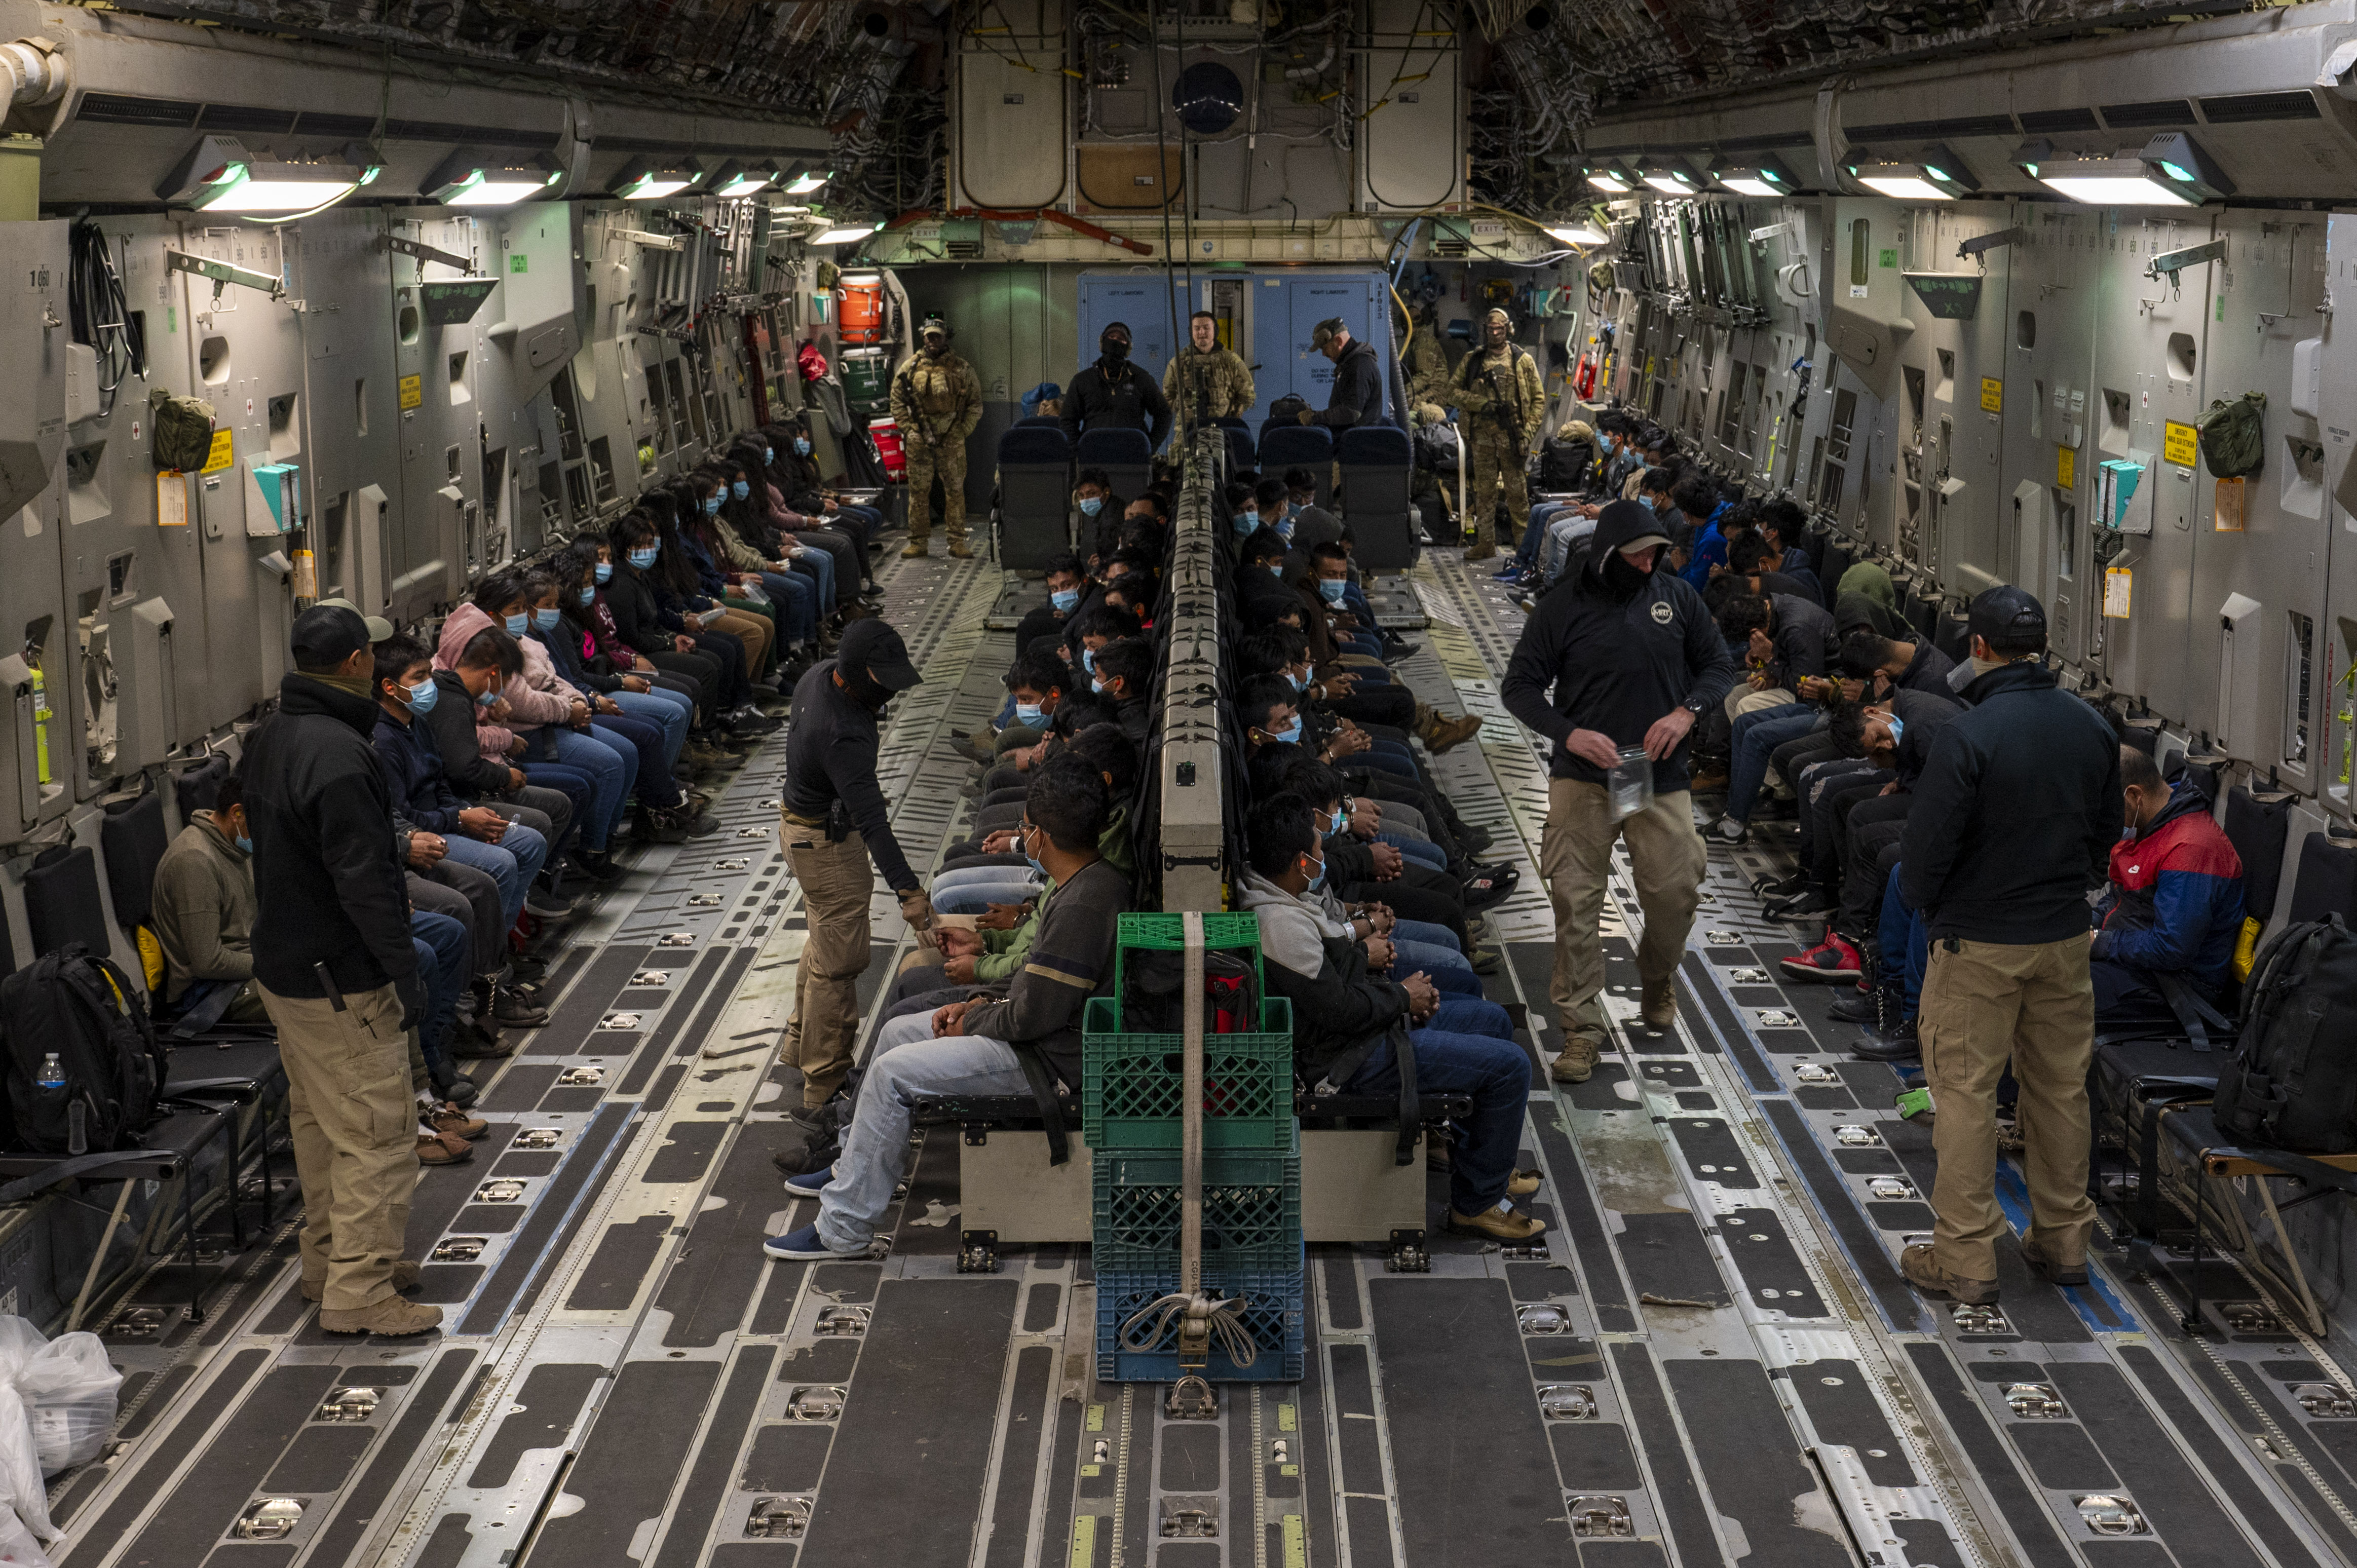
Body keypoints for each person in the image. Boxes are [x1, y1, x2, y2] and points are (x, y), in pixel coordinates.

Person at [765, 755, 1129, 1258]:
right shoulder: (1086, 882)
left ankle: (843, 1228)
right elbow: (1033, 992)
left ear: (1041, 835)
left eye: (1025, 827)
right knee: (897, 1034)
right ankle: (856, 1165)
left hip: (1050, 1061)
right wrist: (980, 1003)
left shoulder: (1084, 904)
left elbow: (1032, 1016)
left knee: (892, 1073)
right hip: (1038, 1035)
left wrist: (974, 1017)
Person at [1896, 585, 2121, 1306]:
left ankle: (1964, 1257)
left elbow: (1925, 853)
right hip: (2061, 939)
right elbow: (2104, 840)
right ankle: (2064, 1240)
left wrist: (1930, 904)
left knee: (1964, 1092)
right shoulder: (2092, 728)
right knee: (2059, 1090)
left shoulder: (1971, 733)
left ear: (1979, 648)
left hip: (1979, 942)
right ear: (2043, 647)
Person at [239, 604, 437, 1336]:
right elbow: (364, 879)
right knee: (378, 1133)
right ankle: (361, 1290)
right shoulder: (343, 755)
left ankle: (330, 1261)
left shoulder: (271, 737)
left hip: (285, 967)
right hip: (339, 976)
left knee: (322, 1125)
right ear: (357, 661)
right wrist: (401, 968)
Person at [1501, 500, 1734, 1084]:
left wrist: (1686, 712)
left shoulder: (1676, 598)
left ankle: (1656, 976)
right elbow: (1520, 687)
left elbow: (1717, 667)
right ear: (1608, 554)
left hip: (1650, 772)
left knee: (1672, 890)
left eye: (1657, 553)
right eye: (1639, 554)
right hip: (1584, 776)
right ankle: (1579, 1029)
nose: (1650, 562)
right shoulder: (1562, 608)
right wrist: (1569, 733)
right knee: (1575, 903)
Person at [1239, 794, 1543, 1241]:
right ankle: (1476, 1204)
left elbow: (1334, 982)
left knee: (1492, 1021)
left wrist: (1386, 980)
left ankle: (1480, 1162)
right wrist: (1402, 997)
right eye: (1319, 851)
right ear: (1302, 863)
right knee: (1512, 1066)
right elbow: (1339, 1010)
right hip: (1344, 1060)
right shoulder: (1280, 927)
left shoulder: (1280, 894)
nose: (1325, 857)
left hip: (1355, 1031)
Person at [774, 618, 937, 1161]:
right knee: (840, 959)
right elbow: (873, 821)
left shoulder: (819, 675)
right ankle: (824, 1084)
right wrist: (909, 891)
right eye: (883, 679)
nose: (890, 689)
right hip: (826, 843)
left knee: (823, 937)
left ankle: (799, 1047)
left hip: (799, 828)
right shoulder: (841, 732)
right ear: (857, 675)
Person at [2093, 746, 2244, 1022]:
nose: (2106, 818)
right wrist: (2086, 922)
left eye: (2110, 808)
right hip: (2137, 961)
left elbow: (2172, 949)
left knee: (2053, 995)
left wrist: (2100, 943)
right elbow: (2120, 899)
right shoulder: (2148, 825)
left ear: (2135, 796)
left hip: (2178, 985)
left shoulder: (2191, 848)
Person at [150, 772, 268, 1026]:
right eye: (263, 822)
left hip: (246, 967)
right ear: (238, 814)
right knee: (315, 994)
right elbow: (209, 962)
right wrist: (274, 963)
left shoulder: (234, 845)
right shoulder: (195, 862)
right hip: (209, 993)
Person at [1449, 308, 1544, 562]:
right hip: (1482, 438)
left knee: (1517, 493)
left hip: (1511, 438)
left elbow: (1538, 400)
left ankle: (1523, 546)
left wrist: (1527, 434)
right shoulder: (1474, 360)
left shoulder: (1522, 360)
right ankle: (1485, 543)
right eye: (1490, 329)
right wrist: (1480, 404)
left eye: (1499, 329)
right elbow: (1452, 391)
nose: (1494, 334)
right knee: (1485, 493)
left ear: (1508, 329)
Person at [889, 315, 984, 558]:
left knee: (955, 490)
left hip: (952, 435)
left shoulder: (962, 369)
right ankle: (919, 542)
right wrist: (908, 429)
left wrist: (964, 430)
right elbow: (897, 401)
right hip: (919, 437)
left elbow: (975, 403)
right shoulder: (909, 368)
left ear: (945, 338)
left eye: (937, 337)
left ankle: (957, 542)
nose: (932, 341)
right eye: (928, 337)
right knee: (919, 492)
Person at [1061, 322, 1171, 450]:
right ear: (1102, 342)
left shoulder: (1141, 378)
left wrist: (1150, 447)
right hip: (1093, 456)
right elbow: (1067, 420)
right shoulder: (1082, 380)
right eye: (1111, 337)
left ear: (1128, 348)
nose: (1115, 342)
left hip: (1132, 457)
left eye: (1121, 339)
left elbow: (1164, 414)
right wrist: (1078, 450)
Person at [1163, 309, 1255, 429]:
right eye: (1197, 328)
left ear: (1215, 330)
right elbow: (1167, 397)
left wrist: (1234, 412)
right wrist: (1183, 406)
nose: (1202, 332)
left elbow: (1248, 394)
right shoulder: (1177, 363)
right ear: (1191, 332)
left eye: (1207, 328)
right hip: (1188, 431)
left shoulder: (1230, 360)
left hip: (1224, 428)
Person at [1300, 317, 1386, 431]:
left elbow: (1352, 413)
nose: (1324, 354)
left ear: (1339, 341)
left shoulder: (1358, 366)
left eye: (1325, 348)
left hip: (1355, 441)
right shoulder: (1349, 363)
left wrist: (1315, 417)